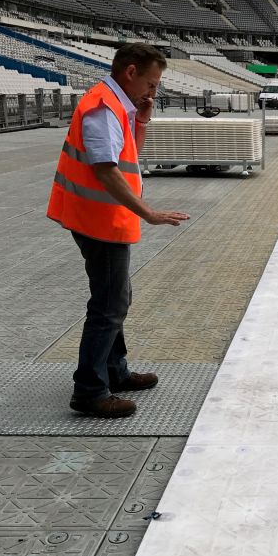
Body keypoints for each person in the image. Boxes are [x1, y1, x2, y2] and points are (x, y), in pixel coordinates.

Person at [47, 43, 189, 419]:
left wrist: (140, 121)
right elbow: (106, 170)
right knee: (109, 306)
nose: (153, 91)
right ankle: (91, 391)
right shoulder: (102, 109)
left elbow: (130, 159)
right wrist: (150, 213)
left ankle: (115, 371)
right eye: (151, 83)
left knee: (115, 298)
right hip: (100, 220)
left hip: (105, 217)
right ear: (130, 72)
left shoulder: (116, 106)